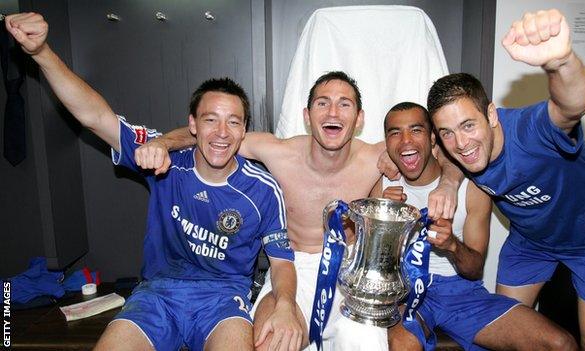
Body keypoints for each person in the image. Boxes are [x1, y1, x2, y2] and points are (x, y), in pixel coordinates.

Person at [5, 12, 302, 351]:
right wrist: (41, 52)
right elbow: (95, 116)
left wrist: (285, 306)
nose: (222, 133)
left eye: (233, 122)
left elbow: (281, 263)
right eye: (211, 120)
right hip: (158, 295)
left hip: (222, 299)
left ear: (244, 129)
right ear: (192, 124)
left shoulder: (262, 189)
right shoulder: (165, 160)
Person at [136, 71, 464, 350]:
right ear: (307, 116)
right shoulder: (278, 152)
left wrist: (448, 185)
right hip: (291, 270)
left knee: (365, 343)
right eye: (323, 103)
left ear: (359, 119)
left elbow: (450, 152)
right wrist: (162, 143)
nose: (333, 112)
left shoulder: (378, 154)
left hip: (351, 270)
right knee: (270, 341)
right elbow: (215, 134)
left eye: (344, 104)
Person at [427, 9, 585, 350]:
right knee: (508, 328)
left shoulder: (530, 131)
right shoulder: (458, 149)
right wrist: (447, 182)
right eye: (447, 132)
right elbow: (449, 156)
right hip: (531, 242)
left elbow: (571, 106)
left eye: (468, 126)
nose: (460, 143)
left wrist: (561, 62)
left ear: (490, 114)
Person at [373, 102, 576, 350]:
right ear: (386, 142)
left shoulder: (471, 188)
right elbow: (374, 268)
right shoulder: (382, 189)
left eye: (416, 130)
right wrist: (382, 222)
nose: (405, 141)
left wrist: (451, 246)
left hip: (462, 294)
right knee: (403, 344)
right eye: (395, 132)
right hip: (408, 292)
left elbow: (475, 268)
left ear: (433, 138)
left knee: (559, 344)